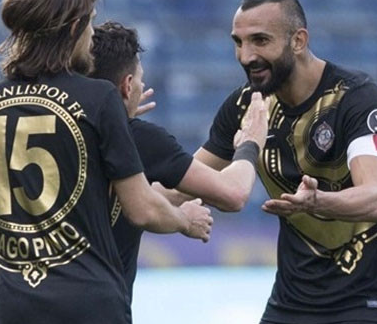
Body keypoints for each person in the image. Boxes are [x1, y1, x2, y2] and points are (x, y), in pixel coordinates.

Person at [0, 0, 212, 324]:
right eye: (91, 22)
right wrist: (185, 220)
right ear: (74, 26)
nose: (93, 35)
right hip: (91, 317)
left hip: (16, 322)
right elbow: (142, 209)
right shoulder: (99, 98)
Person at [196, 0, 377, 324]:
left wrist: (317, 201)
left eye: (260, 41)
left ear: (298, 40)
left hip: (363, 313)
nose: (246, 56)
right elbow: (186, 180)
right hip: (287, 315)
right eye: (238, 42)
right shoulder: (246, 106)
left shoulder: (356, 100)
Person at [89, 21, 268, 298]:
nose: (142, 86)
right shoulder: (140, 138)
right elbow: (233, 194)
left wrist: (113, 116)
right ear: (127, 86)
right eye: (140, 80)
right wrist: (250, 143)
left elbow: (129, 198)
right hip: (98, 310)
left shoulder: (57, 129)